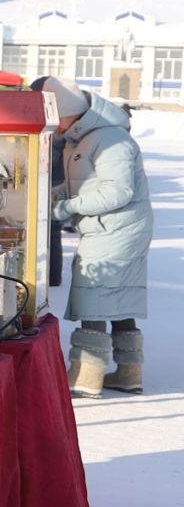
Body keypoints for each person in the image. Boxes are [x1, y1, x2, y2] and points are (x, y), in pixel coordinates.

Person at [32, 77, 153, 396]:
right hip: (109, 226)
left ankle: (87, 375)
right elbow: (82, 185)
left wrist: (66, 207)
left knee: (94, 293)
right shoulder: (81, 138)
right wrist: (50, 195)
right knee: (116, 295)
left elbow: (117, 191)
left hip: (117, 228)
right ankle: (129, 372)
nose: (55, 129)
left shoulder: (110, 139)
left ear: (70, 114)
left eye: (57, 121)